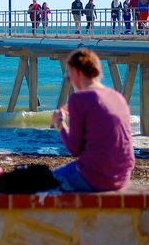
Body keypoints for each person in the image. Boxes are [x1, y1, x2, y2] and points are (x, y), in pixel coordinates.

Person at [50, 48, 133, 191]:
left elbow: (74, 149)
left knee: (43, 182)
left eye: (68, 76)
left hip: (94, 177)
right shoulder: (116, 96)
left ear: (77, 71)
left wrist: (60, 123)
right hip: (122, 177)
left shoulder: (79, 98)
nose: (69, 80)